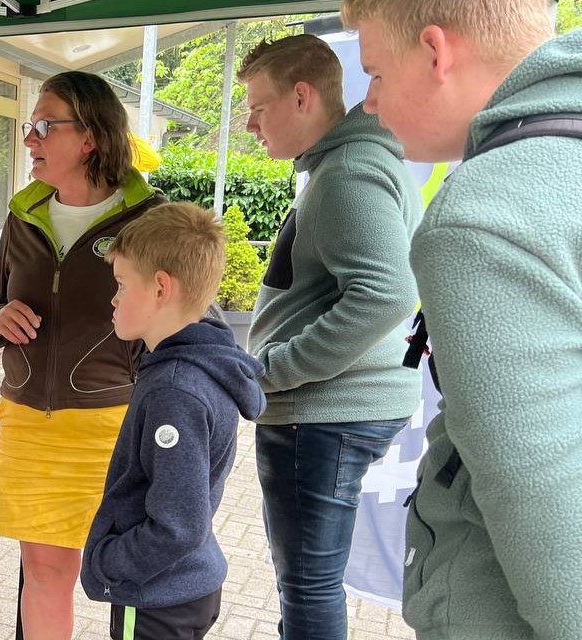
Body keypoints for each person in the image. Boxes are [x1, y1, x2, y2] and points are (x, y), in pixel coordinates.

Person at [342, 2, 582, 638]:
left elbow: (545, 508)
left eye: (376, 73)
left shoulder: (483, 218)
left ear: (434, 51)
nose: (369, 102)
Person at [237, 34, 423, 640]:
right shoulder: (347, 165)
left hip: (320, 415)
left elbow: (385, 293)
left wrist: (272, 371)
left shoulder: (346, 173)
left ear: (301, 96)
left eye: (258, 107)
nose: (248, 124)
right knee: (309, 583)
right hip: (324, 412)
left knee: (308, 587)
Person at [0, 70, 165, 640]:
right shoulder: (23, 216)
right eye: (29, 127)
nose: (28, 139)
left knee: (122, 577)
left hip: (114, 425)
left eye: (42, 126)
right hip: (31, 421)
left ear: (90, 137)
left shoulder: (148, 219)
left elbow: (174, 324)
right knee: (44, 571)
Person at [81, 202, 264, 640]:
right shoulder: (198, 364)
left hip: (157, 598)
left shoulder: (175, 391)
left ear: (161, 288)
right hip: (182, 591)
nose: (114, 297)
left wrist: (107, 562)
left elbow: (177, 526)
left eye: (122, 284)